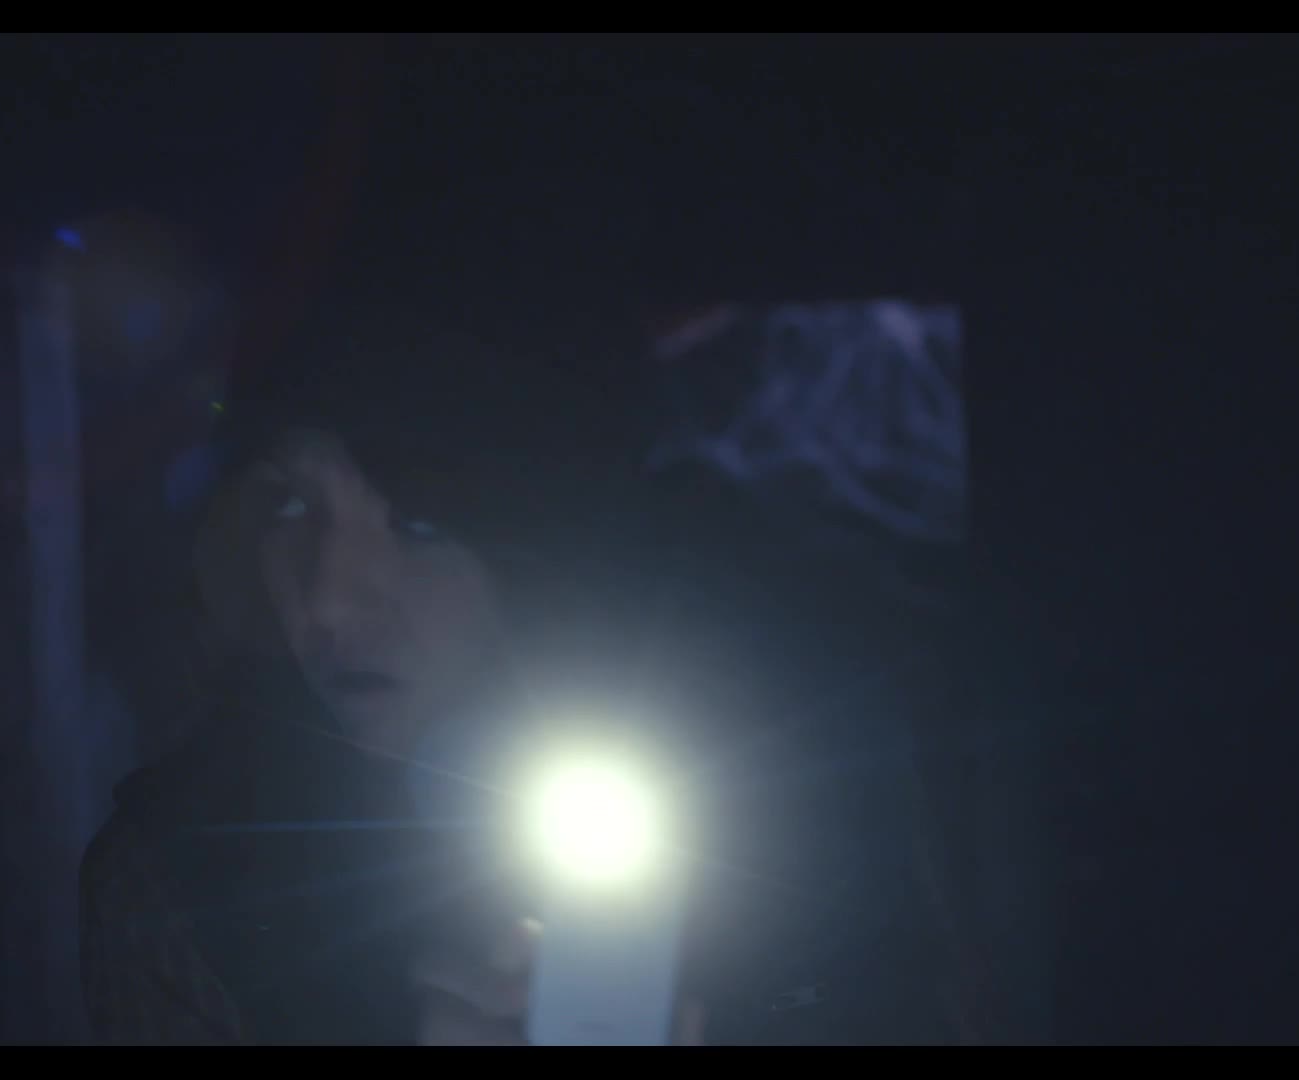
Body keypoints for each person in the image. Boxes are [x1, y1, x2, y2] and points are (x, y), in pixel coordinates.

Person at [77, 287, 980, 1045]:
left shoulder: (802, 807)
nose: (325, 603)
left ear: (553, 543)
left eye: (416, 521)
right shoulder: (188, 880)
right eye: (286, 506)